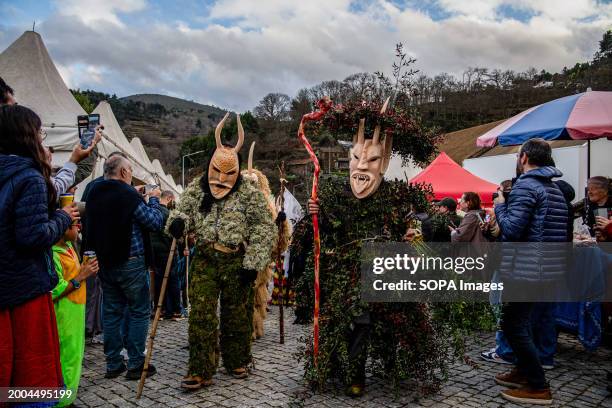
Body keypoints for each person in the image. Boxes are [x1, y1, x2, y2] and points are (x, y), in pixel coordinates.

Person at [306, 99, 448, 397]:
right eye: (356, 157)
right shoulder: (338, 195)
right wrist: (317, 213)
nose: (361, 166)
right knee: (344, 322)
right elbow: (328, 232)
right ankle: (339, 367)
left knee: (364, 322)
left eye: (370, 160)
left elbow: (411, 225)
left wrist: (410, 235)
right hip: (344, 274)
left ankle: (356, 375)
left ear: (383, 163)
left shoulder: (395, 197)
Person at [167, 113, 276, 390]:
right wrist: (177, 224)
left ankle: (237, 358)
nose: (221, 179)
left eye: (229, 174)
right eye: (216, 171)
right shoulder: (197, 187)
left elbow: (264, 227)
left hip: (236, 259)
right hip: (205, 258)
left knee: (237, 313)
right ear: (209, 166)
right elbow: (181, 212)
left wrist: (253, 262)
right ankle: (200, 368)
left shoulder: (249, 193)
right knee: (201, 313)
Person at [0, 105, 78, 401]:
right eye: (39, 133)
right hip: (24, 292)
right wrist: (63, 218)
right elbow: (32, 236)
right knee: (34, 381)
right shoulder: (29, 177)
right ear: (26, 136)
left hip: (6, 291)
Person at [493, 138, 568, 405]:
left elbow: (512, 230)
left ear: (524, 157)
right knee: (524, 323)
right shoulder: (555, 189)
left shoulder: (526, 185)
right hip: (546, 268)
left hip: (527, 268)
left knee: (513, 325)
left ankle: (537, 385)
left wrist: (500, 205)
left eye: (517, 156)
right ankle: (523, 372)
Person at [85, 154, 164, 380]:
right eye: (129, 171)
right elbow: (154, 222)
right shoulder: (127, 194)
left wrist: (135, 196)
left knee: (111, 313)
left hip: (104, 262)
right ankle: (137, 364)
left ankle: (113, 363)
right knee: (139, 311)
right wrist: (154, 199)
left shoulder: (94, 191)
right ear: (122, 173)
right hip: (131, 263)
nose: (131, 175)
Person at [51, 218, 99, 406]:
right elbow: (55, 290)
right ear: (63, 230)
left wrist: (87, 270)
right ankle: (61, 401)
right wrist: (81, 275)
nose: (79, 227)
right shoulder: (53, 254)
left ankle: (68, 398)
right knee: (66, 357)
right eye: (74, 225)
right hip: (64, 313)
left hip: (77, 309)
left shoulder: (70, 247)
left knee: (75, 355)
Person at [151, 190, 181, 319]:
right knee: (173, 280)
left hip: (154, 252)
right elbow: (173, 236)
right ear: (169, 199)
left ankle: (160, 309)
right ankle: (175, 310)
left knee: (158, 280)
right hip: (167, 252)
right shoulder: (168, 214)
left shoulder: (152, 211)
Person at [585, 176, 612, 242]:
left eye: (593, 189)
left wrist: (609, 227)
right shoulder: (588, 205)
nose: (589, 192)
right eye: (588, 189)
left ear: (605, 191)